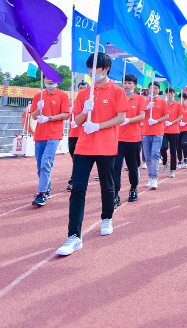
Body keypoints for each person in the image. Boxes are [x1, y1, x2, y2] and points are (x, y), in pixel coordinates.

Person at [56, 52, 128, 256]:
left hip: (106, 146)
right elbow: (77, 122)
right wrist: (84, 111)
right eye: (88, 68)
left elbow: (121, 118)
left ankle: (107, 218)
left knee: (107, 185)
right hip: (84, 147)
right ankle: (74, 236)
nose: (90, 71)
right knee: (78, 189)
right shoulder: (83, 94)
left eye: (94, 67)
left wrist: (97, 125)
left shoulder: (117, 91)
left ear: (105, 69)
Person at [30, 77, 71, 206]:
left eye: (52, 78)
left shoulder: (62, 95)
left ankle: (41, 194)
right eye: (47, 78)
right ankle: (47, 189)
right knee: (39, 165)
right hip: (39, 135)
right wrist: (38, 109)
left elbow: (66, 115)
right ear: (44, 80)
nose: (50, 81)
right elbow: (33, 116)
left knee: (46, 163)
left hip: (54, 134)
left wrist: (48, 118)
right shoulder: (39, 96)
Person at [115, 74, 146, 205]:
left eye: (130, 83)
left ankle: (133, 188)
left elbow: (142, 116)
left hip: (133, 139)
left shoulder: (140, 98)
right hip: (117, 138)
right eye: (125, 83)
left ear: (135, 85)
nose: (127, 85)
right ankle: (115, 193)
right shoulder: (117, 97)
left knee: (133, 166)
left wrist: (127, 120)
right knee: (115, 167)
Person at [141, 82, 168, 188]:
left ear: (159, 90)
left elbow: (166, 116)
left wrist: (156, 121)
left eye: (156, 88)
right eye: (152, 88)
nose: (154, 90)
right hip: (146, 132)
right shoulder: (144, 101)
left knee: (155, 155)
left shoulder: (163, 101)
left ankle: (154, 178)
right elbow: (139, 115)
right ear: (148, 89)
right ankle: (150, 178)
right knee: (148, 157)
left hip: (158, 132)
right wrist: (146, 108)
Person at [66, 82, 89, 190]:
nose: (82, 90)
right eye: (80, 88)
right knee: (74, 156)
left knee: (78, 158)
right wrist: (69, 111)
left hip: (84, 134)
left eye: (84, 88)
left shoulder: (90, 102)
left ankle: (74, 181)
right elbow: (65, 116)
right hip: (73, 133)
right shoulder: (72, 103)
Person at [163, 87, 183, 178]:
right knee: (163, 147)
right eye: (168, 93)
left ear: (174, 94)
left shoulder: (178, 104)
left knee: (173, 151)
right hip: (164, 130)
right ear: (166, 94)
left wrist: (171, 122)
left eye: (171, 93)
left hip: (174, 130)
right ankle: (165, 162)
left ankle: (172, 170)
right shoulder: (163, 103)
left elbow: (181, 117)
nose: (170, 94)